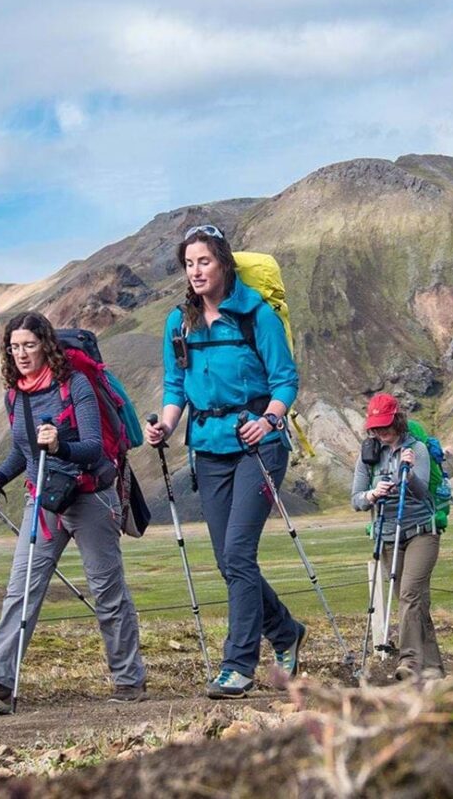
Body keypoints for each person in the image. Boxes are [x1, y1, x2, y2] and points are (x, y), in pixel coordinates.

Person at [0, 312, 147, 714]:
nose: (22, 354)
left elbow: (93, 446)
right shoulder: (16, 396)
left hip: (92, 496)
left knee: (107, 592)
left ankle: (129, 680)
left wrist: (60, 447)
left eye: (29, 345)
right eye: (14, 347)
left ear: (46, 345)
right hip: (42, 500)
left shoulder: (75, 385)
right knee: (21, 589)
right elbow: (20, 454)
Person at [144, 224, 303, 699]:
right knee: (227, 559)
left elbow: (285, 380)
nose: (195, 271)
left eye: (204, 262)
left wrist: (270, 420)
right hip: (208, 448)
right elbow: (176, 387)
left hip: (259, 446)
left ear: (224, 263)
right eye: (188, 263)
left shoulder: (257, 316)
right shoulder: (179, 323)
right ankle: (286, 632)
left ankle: (238, 666)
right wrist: (166, 427)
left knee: (238, 553)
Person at [352, 393, 443, 682]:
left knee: (410, 595)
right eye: (375, 427)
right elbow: (356, 499)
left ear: (397, 420)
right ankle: (434, 668)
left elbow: (422, 491)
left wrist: (407, 472)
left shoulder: (416, 448)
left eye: (385, 425)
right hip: (389, 534)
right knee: (415, 604)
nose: (381, 432)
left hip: (421, 532)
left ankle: (409, 663)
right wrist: (372, 494)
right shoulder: (368, 455)